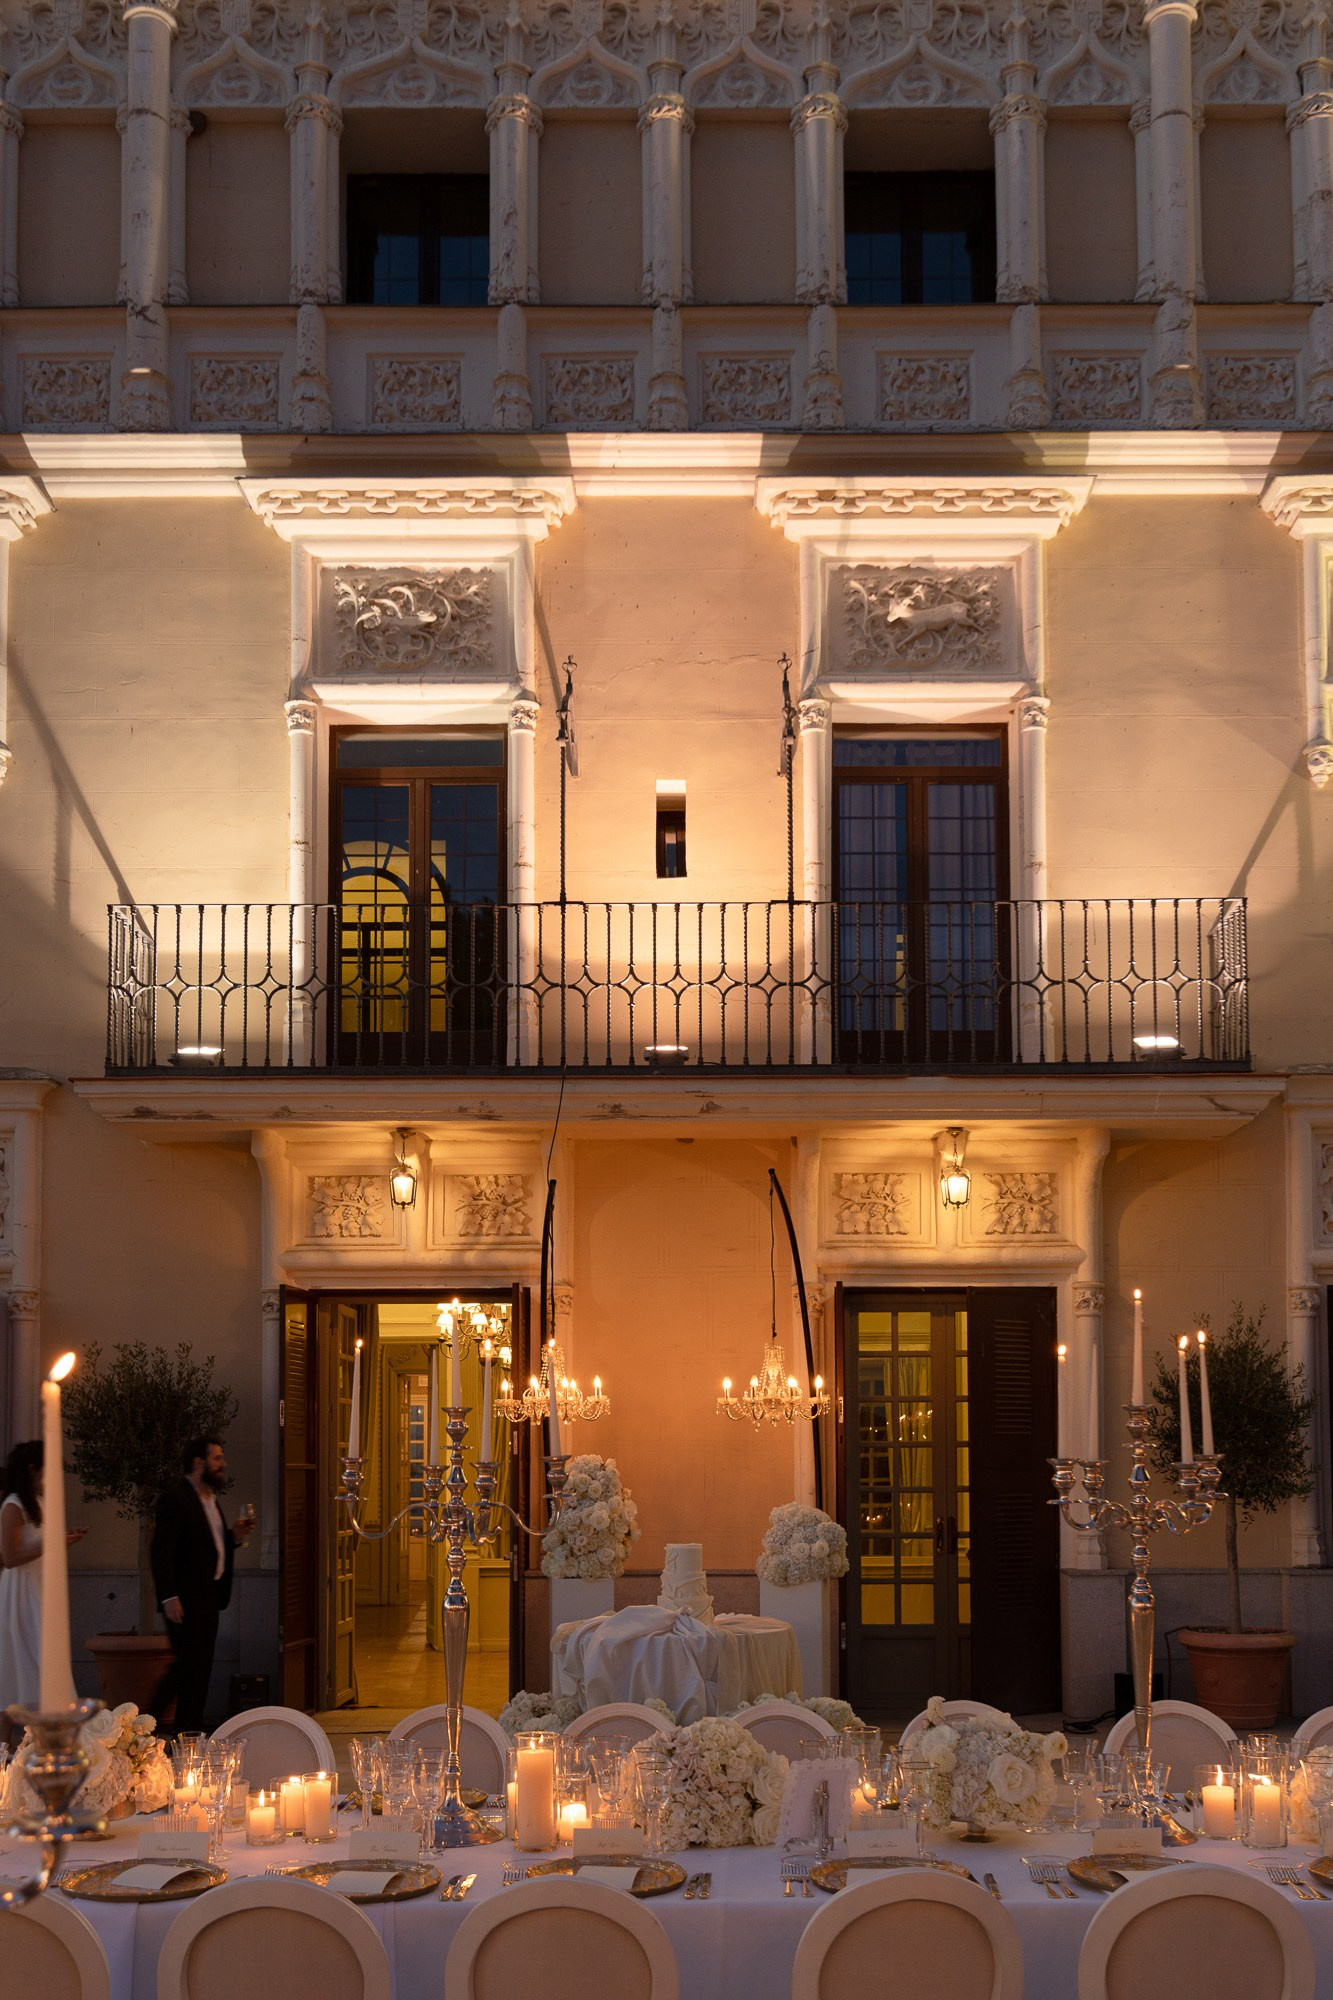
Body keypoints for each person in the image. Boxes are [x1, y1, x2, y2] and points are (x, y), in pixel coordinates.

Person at [150, 1436, 254, 1734]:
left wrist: (233, 1537)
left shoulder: (209, 1499)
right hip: (184, 1598)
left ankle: (189, 1732)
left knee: (200, 1668)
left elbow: (206, 1546)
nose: (224, 1464)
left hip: (209, 1595)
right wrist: (168, 1596)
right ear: (199, 1462)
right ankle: (147, 1725)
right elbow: (161, 1551)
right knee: (186, 1665)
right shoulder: (176, 1498)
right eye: (217, 1458)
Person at [0, 1439, 87, 1723]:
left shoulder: (39, 1502)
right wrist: (53, 1542)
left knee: (46, 1658)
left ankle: (47, 1726)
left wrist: (64, 1539)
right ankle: (9, 1738)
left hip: (40, 1587)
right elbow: (10, 1557)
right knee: (22, 1661)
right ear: (32, 1470)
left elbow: (40, 1543)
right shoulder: (13, 1506)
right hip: (22, 1591)